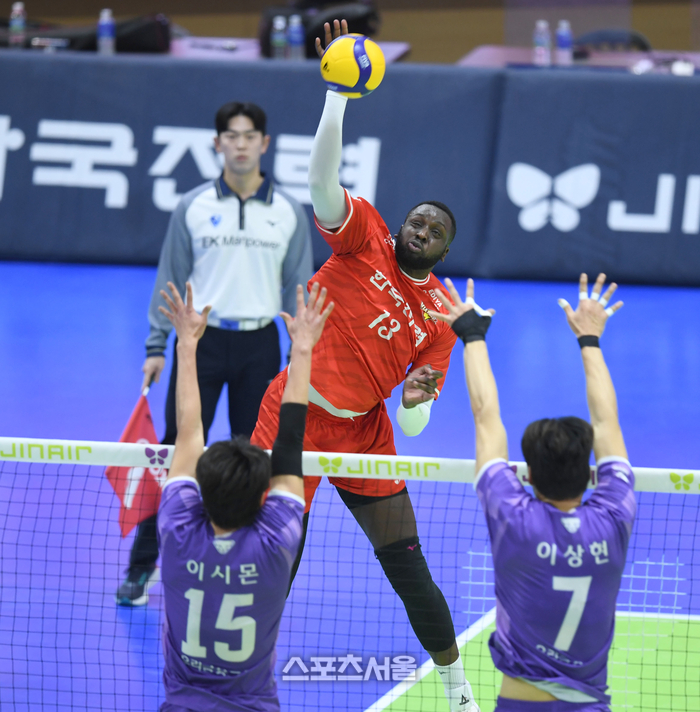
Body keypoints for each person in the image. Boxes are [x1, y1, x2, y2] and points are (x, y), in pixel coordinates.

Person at [250, 20, 480, 712]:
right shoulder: (364, 239)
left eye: (435, 231)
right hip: (292, 417)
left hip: (365, 433)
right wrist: (337, 95)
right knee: (273, 562)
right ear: (400, 225)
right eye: (417, 220)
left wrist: (414, 398)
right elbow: (321, 180)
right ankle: (244, 682)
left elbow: (415, 425)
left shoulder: (439, 313)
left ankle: (458, 689)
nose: (421, 229)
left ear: (442, 252)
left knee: (408, 568)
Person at [117, 101, 314, 606]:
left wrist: (301, 355)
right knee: (174, 452)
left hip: (259, 345)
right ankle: (142, 568)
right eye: (232, 135)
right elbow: (170, 279)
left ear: (264, 144)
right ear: (217, 142)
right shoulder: (193, 205)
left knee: (254, 457)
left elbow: (299, 288)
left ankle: (245, 560)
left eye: (250, 136)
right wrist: (157, 345)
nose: (240, 144)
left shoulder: (288, 211)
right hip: (200, 343)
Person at [430, 273, 634, 712]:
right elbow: (607, 424)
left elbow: (485, 416)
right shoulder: (614, 514)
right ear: (590, 474)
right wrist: (590, 339)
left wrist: (472, 336)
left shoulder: (513, 516)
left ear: (528, 477)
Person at [156, 278, 333, 712]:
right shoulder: (274, 544)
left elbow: (188, 432)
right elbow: (290, 439)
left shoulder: (178, 530)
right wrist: (303, 349)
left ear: (201, 494)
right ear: (261, 501)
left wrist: (187, 343)